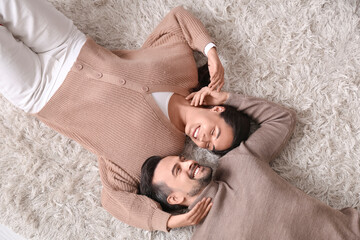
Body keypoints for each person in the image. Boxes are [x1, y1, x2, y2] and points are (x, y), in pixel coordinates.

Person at [0, 0, 254, 231]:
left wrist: (171, 220)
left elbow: (114, 201)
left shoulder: (158, 155)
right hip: (68, 43)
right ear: (217, 110)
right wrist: (211, 52)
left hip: (37, 91)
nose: (202, 141)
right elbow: (178, 19)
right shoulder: (183, 70)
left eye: (208, 147)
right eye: (215, 133)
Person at [140, 90, 360, 239]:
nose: (189, 162)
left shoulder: (238, 161)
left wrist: (227, 97)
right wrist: (168, 221)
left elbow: (282, 119)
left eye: (183, 159)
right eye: (178, 169)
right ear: (175, 198)